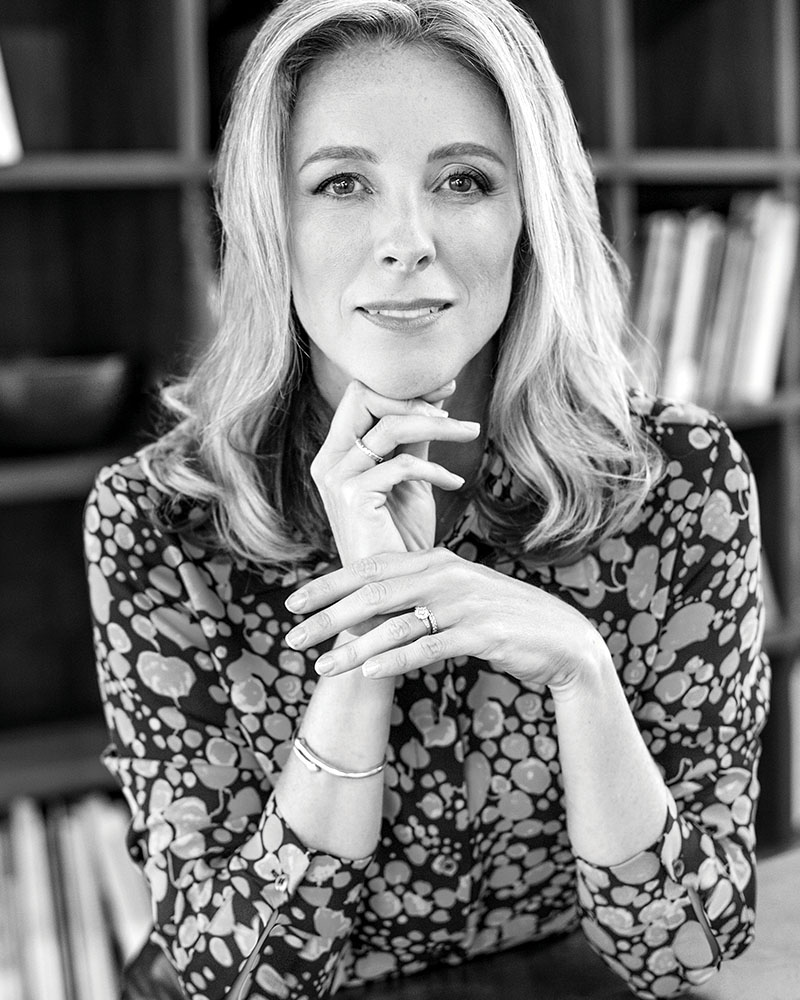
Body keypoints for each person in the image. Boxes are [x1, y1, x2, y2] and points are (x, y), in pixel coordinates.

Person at [83, 0, 770, 998]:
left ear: (531, 213)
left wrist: (583, 675)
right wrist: (366, 647)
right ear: (269, 221)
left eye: (463, 180)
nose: (405, 241)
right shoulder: (157, 519)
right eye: (341, 183)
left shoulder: (680, 479)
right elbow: (246, 979)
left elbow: (686, 950)